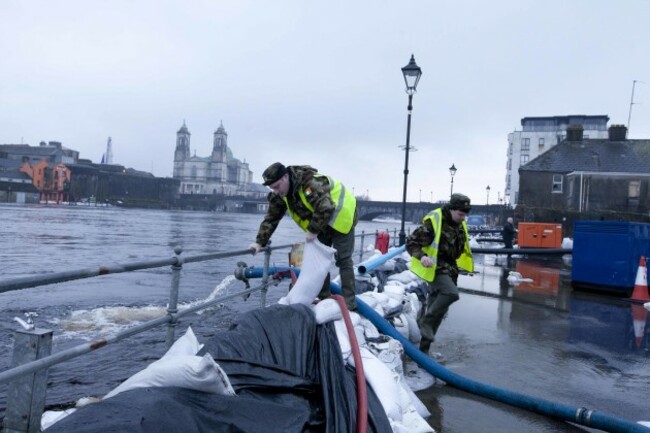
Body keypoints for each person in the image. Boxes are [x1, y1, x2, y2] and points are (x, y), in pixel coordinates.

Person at [248, 162, 359, 310]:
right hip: (321, 222)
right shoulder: (280, 195)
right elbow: (271, 218)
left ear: (286, 177)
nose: (275, 191)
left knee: (343, 260)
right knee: (319, 260)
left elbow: (325, 206)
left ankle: (349, 304)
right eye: (271, 188)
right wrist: (259, 242)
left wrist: (313, 230)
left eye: (277, 186)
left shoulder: (308, 185)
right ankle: (324, 298)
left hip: (341, 216)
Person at [406, 193, 474, 354]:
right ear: (451, 209)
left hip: (450, 269)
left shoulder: (459, 224)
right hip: (435, 268)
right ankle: (425, 321)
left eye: (465, 215)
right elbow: (411, 242)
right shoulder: (434, 222)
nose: (463, 218)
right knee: (451, 294)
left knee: (438, 314)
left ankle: (423, 352)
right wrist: (422, 257)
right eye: (460, 214)